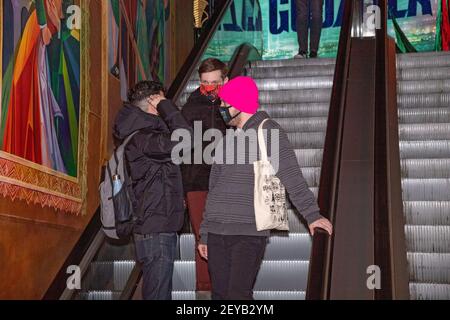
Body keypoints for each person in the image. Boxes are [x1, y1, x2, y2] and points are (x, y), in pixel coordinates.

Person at [198, 76, 333, 300]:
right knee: (220, 296)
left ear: (238, 104)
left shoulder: (268, 131)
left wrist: (312, 215)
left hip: (248, 231)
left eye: (224, 103)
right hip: (216, 233)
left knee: (238, 296)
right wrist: (204, 233)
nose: (221, 108)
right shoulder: (227, 140)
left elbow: (291, 175)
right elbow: (214, 190)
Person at [113, 81, 193, 300]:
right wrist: (167, 107)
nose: (167, 103)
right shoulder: (143, 138)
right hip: (155, 229)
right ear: (152, 102)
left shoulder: (142, 135)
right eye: (161, 99)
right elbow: (185, 140)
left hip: (156, 225)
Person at [181, 58, 228, 293]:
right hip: (196, 180)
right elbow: (179, 150)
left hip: (227, 181)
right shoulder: (190, 107)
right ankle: (205, 289)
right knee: (202, 238)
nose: (209, 87)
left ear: (225, 81)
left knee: (227, 234)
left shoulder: (233, 105)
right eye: (204, 82)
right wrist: (181, 188)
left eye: (214, 83)